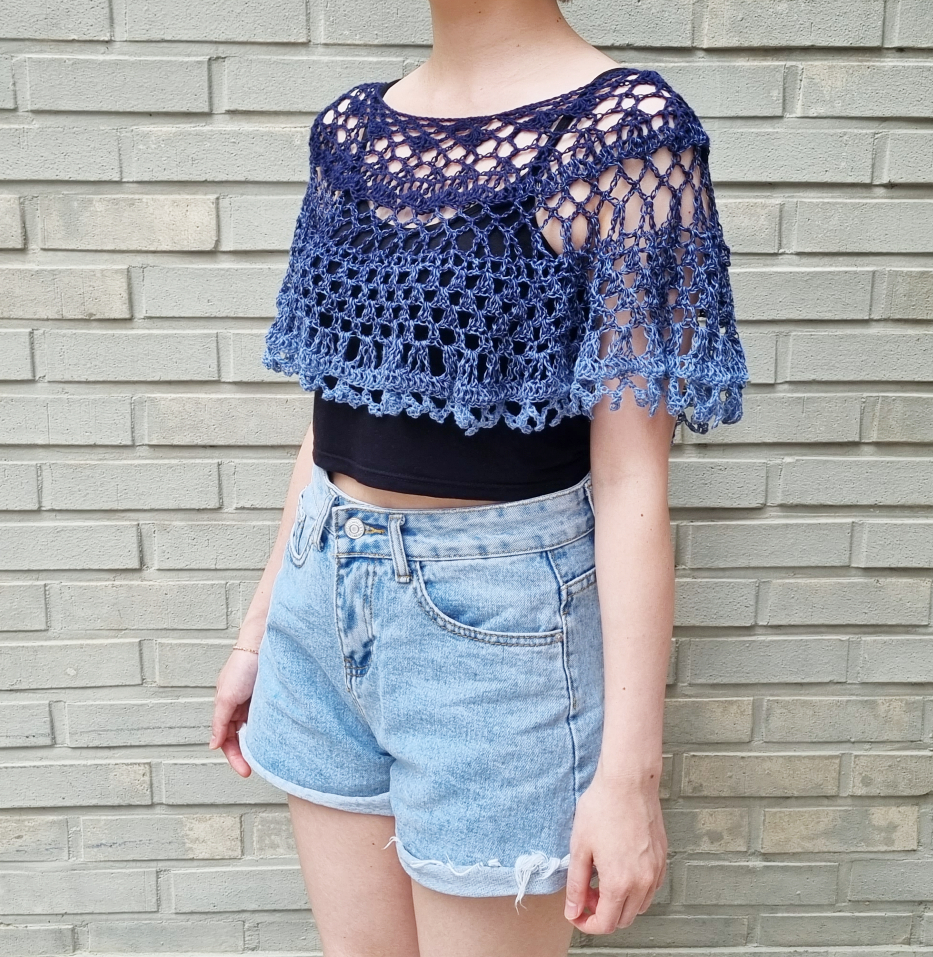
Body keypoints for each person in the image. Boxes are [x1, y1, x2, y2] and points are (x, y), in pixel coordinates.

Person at [208, 0, 749, 954]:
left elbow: (631, 481)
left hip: (498, 633)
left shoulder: (622, 133)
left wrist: (629, 777)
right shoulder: (352, 133)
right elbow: (335, 415)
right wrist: (258, 629)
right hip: (318, 600)